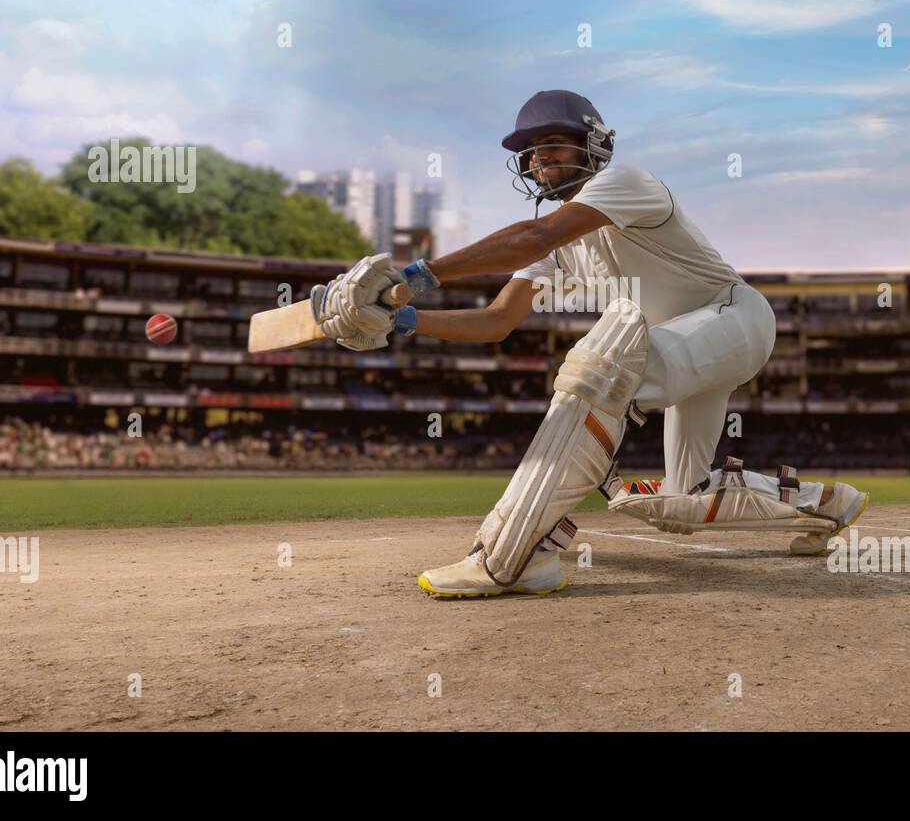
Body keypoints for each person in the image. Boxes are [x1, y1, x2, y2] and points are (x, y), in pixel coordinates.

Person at [304, 90, 869, 596]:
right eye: (531, 153)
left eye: (552, 146)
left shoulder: (626, 184)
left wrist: (414, 276)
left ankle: (521, 553)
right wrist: (401, 320)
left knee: (598, 371)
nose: (538, 161)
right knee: (684, 502)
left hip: (734, 318)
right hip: (682, 344)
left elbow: (534, 234)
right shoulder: (557, 249)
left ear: (593, 148)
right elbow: (496, 321)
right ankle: (826, 504)